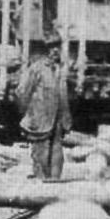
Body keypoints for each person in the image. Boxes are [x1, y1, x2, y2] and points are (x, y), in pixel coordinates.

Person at [16, 41, 72, 180]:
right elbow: (22, 92)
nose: (55, 51)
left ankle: (54, 183)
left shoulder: (60, 71)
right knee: (40, 153)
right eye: (52, 48)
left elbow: (63, 95)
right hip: (40, 120)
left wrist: (66, 117)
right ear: (46, 51)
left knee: (57, 153)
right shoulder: (37, 69)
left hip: (58, 119)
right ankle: (41, 183)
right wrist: (29, 114)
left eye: (58, 48)